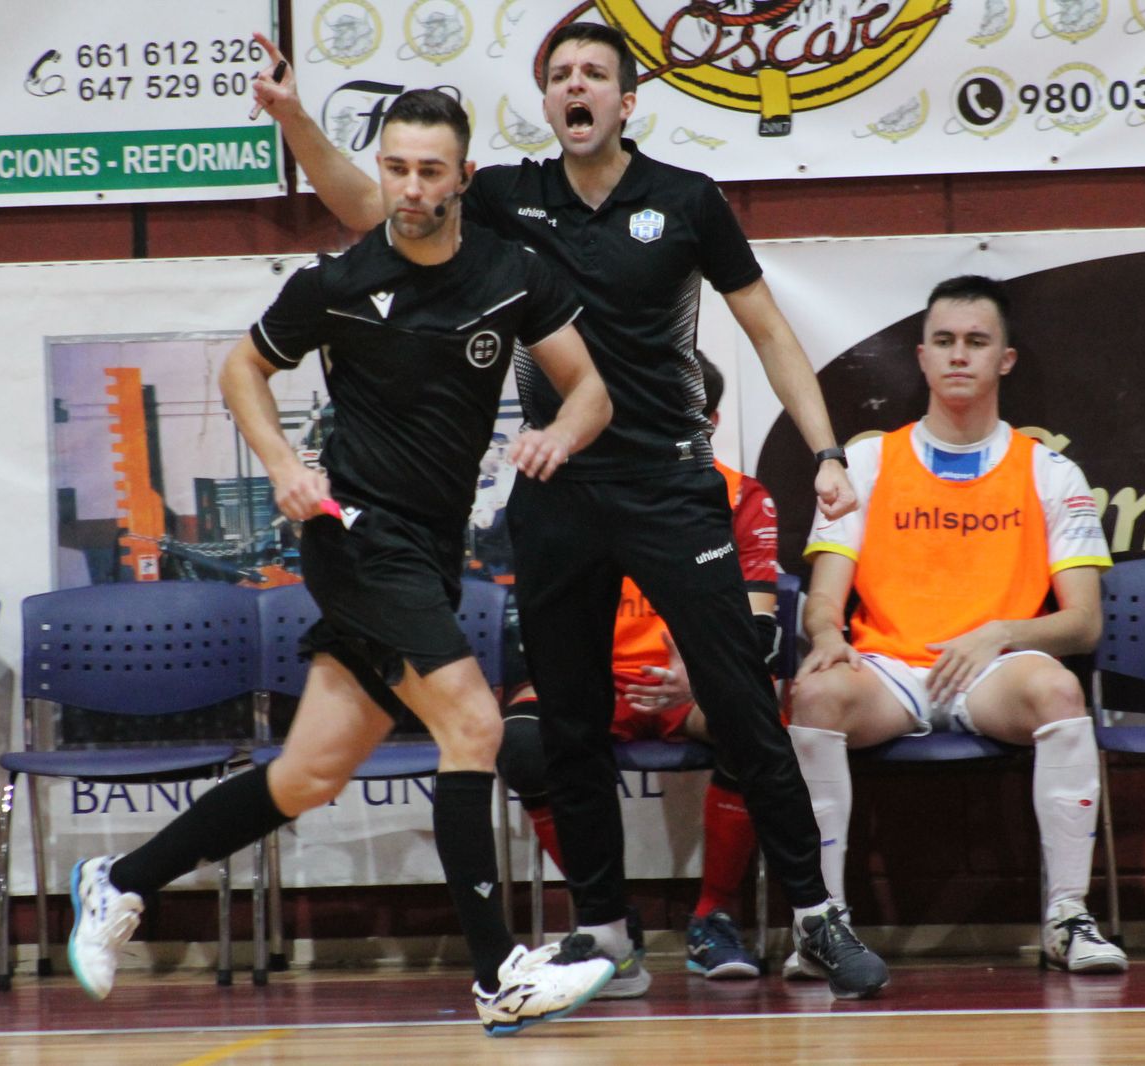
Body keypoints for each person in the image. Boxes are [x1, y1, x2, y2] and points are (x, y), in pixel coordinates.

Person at [249, 21, 889, 1000]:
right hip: (556, 494)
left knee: (745, 707)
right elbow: (369, 205)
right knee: (570, 723)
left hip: (671, 484)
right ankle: (606, 935)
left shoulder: (684, 201)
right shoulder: (504, 197)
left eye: (595, 74)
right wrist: (293, 118)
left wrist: (828, 450)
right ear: (546, 104)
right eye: (559, 76)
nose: (576, 86)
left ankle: (813, 918)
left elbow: (765, 329)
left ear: (626, 102)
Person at [64, 89, 619, 1036]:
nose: (409, 187)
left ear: (462, 179)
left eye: (429, 170)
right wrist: (283, 465)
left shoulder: (511, 275)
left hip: (428, 552)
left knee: (310, 775)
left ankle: (120, 880)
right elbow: (243, 367)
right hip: (357, 536)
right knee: (475, 728)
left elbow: (592, 389)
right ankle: (500, 979)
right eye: (395, 167)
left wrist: (560, 435)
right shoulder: (339, 281)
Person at [788, 275, 1128, 977]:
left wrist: (1001, 632)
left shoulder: (1051, 472)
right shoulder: (867, 462)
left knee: (1060, 692)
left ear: (1006, 360)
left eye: (977, 342)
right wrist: (826, 637)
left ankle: (1067, 918)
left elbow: (1083, 623)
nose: (959, 356)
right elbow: (824, 603)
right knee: (816, 696)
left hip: (991, 671)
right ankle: (822, 927)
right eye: (944, 341)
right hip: (888, 672)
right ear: (920, 357)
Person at [498, 353, 774, 981]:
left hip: (688, 687)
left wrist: (705, 673)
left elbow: (756, 626)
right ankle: (610, 924)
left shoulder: (741, 496)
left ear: (706, 422)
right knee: (522, 745)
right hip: (595, 682)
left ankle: (713, 919)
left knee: (753, 716)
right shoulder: (558, 491)